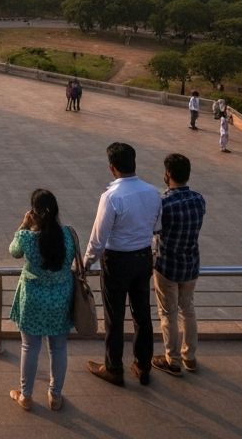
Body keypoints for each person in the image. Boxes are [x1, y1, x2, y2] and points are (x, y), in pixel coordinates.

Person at [84, 142, 161, 386]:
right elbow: (157, 227)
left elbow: (98, 237)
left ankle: (114, 367)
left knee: (114, 316)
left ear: (112, 168)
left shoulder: (111, 197)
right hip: (143, 257)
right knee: (142, 314)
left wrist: (86, 262)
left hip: (117, 261)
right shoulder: (152, 192)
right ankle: (142, 364)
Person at [7, 189, 75, 412]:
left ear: (33, 213)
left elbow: (13, 251)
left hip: (33, 299)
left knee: (30, 347)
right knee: (58, 348)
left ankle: (26, 395)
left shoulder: (27, 238)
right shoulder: (68, 235)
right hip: (60, 299)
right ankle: (55, 395)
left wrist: (23, 225)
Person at [152, 153, 206, 376]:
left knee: (168, 313)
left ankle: (172, 359)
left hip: (167, 265)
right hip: (191, 264)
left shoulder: (164, 203)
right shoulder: (199, 199)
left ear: (168, 174)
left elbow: (154, 230)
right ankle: (190, 357)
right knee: (188, 309)